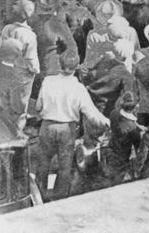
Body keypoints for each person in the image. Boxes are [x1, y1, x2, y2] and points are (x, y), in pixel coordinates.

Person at [34, 48, 109, 201]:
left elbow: (38, 107)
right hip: (67, 129)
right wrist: (107, 121)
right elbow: (92, 114)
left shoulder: (48, 81)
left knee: (43, 162)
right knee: (64, 165)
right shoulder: (78, 88)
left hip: (47, 126)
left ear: (60, 65)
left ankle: (40, 194)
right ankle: (59, 196)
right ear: (76, 67)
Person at [0, 0, 39, 132]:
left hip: (4, 67)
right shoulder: (29, 35)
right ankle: (17, 133)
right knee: (19, 107)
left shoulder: (7, 28)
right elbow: (31, 58)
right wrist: (35, 70)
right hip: (21, 72)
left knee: (3, 102)